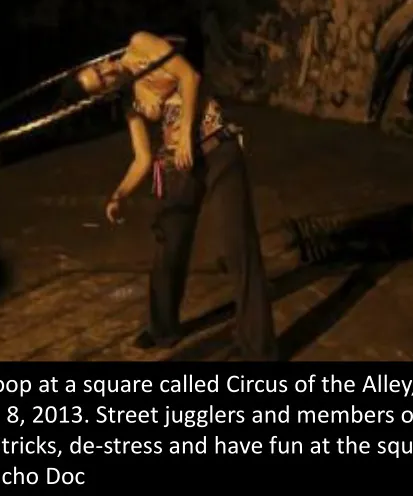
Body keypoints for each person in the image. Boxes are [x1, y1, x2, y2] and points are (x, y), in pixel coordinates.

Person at [67, 31, 278, 361]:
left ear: (102, 62)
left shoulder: (140, 45)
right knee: (169, 245)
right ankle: (163, 327)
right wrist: (118, 194)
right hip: (178, 165)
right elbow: (142, 159)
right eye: (101, 85)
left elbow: (189, 76)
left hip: (215, 145)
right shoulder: (130, 102)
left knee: (239, 246)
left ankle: (259, 350)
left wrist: (186, 137)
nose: (107, 76)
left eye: (100, 72)